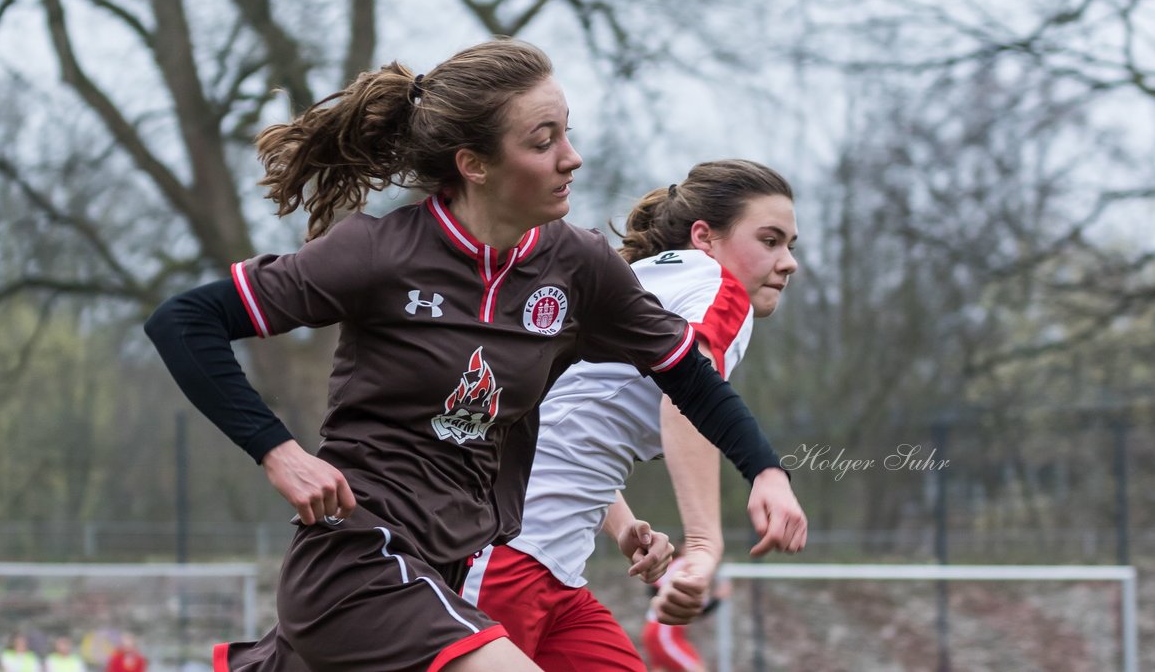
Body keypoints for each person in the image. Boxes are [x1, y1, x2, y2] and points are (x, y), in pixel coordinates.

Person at [144, 38, 804, 672]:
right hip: (359, 561)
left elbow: (687, 377)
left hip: (449, 568)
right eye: (543, 141)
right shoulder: (378, 253)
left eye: (568, 133)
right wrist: (279, 452)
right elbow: (185, 321)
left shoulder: (578, 266)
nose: (571, 158)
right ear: (475, 164)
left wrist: (766, 472)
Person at [463, 160, 804, 668]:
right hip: (508, 559)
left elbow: (565, 415)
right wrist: (705, 545)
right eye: (770, 240)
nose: (788, 262)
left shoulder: (636, 280)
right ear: (704, 237)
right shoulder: (718, 287)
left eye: (790, 246)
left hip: (551, 568)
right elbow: (687, 399)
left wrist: (620, 523)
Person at [641, 554, 731, 672]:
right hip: (665, 633)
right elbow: (697, 609)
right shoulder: (686, 564)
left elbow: (694, 609)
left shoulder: (682, 566)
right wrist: (717, 599)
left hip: (658, 630)